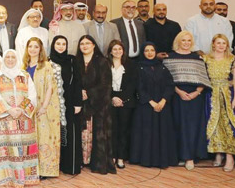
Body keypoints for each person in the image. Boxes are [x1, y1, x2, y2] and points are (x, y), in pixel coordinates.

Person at [0, 49, 39, 188]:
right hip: (4, 119)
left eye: (13, 57)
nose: (10, 60)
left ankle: (26, 177)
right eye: (7, 57)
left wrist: (21, 109)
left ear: (17, 59)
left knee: (24, 148)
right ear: (3, 59)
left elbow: (32, 95)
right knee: (5, 148)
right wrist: (9, 110)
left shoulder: (25, 75)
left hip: (23, 119)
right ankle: (5, 178)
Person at [163, 31, 210, 170]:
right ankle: (180, 156)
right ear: (178, 41)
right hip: (177, 96)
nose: (186, 43)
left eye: (189, 40)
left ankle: (190, 157)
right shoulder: (169, 57)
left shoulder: (198, 58)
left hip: (195, 97)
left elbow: (204, 78)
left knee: (193, 127)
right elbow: (167, 79)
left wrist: (197, 92)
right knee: (178, 125)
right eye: (183, 40)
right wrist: (179, 92)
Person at [130, 42, 177, 169]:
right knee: (147, 133)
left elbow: (170, 85)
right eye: (146, 50)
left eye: (152, 50)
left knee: (162, 132)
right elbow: (138, 87)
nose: (150, 53)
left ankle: (161, 160)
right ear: (143, 52)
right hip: (146, 106)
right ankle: (146, 160)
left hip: (162, 106)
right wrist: (151, 102)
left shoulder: (162, 67)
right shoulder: (138, 68)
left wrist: (163, 101)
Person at [72, 35, 114, 174]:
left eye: (87, 43)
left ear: (94, 45)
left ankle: (96, 162)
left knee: (97, 134)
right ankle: (82, 161)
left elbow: (106, 84)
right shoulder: (76, 61)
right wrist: (79, 92)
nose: (84, 46)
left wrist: (89, 93)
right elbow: (72, 81)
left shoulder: (102, 61)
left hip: (98, 105)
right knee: (81, 133)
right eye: (82, 44)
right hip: (80, 104)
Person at [204, 34, 235, 172]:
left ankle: (230, 157)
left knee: (229, 123)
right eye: (219, 43)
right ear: (213, 44)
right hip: (211, 95)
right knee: (214, 123)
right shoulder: (206, 59)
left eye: (224, 43)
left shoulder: (233, 60)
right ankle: (218, 153)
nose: (221, 46)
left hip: (228, 95)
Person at [24, 37, 63, 178]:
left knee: (45, 137)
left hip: (44, 107)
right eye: (30, 46)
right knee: (32, 138)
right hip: (29, 108)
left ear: (40, 49)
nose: (33, 49)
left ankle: (46, 170)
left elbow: (50, 88)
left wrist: (44, 107)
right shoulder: (23, 66)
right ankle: (32, 169)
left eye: (36, 47)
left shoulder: (46, 65)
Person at [107, 40, 137, 169]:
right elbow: (103, 83)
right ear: (110, 51)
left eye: (120, 49)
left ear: (123, 51)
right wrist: (113, 98)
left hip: (126, 102)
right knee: (112, 130)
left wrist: (121, 99)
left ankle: (121, 157)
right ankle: (113, 156)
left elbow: (132, 84)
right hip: (110, 101)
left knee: (124, 130)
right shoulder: (106, 64)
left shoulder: (131, 65)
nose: (117, 51)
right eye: (114, 49)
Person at [49, 35, 75, 171]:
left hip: (68, 101)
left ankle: (65, 164)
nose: (60, 46)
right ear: (53, 45)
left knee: (67, 132)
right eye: (58, 44)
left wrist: (77, 102)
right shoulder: (47, 61)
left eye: (63, 44)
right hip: (51, 102)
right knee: (53, 132)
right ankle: (53, 163)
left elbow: (77, 81)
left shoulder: (71, 60)